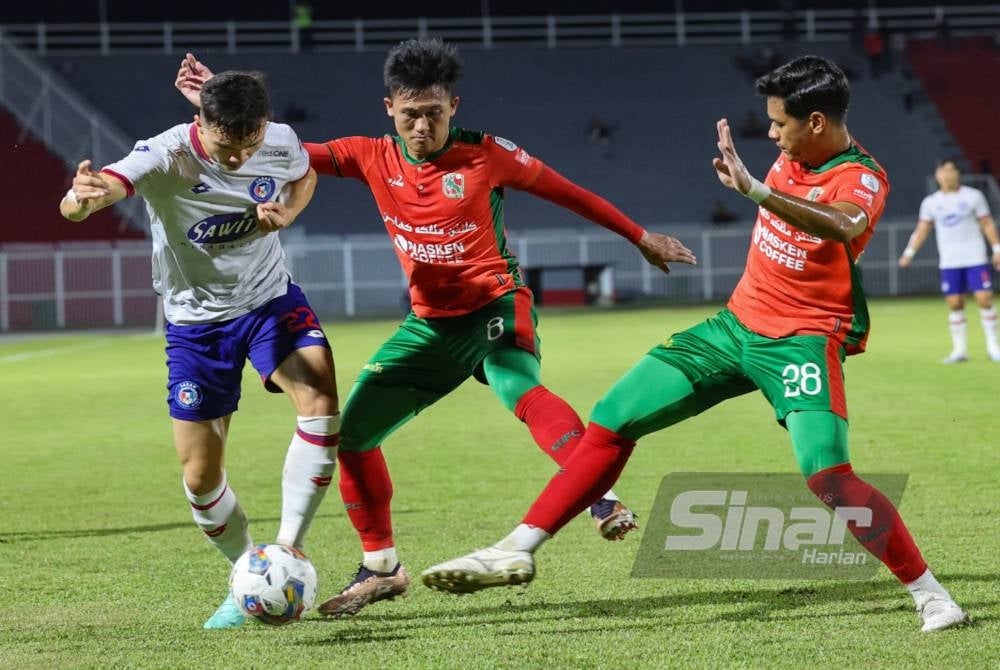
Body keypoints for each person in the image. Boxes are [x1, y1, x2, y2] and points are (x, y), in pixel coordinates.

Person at [423, 55, 970, 634]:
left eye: (780, 123)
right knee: (612, 416)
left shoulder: (862, 175)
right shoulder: (792, 155)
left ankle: (931, 594)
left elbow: (844, 225)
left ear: (815, 122)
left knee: (828, 476)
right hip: (732, 327)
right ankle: (517, 546)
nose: (771, 134)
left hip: (800, 341)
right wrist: (756, 184)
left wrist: (756, 189)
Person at [175, 41, 697, 618]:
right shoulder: (370, 157)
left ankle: (599, 495)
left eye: (434, 113)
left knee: (516, 386)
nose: (422, 126)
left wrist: (639, 236)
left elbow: (567, 191)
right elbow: (277, 147)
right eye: (410, 114)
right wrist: (217, 103)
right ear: (389, 109)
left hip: (496, 302)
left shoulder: (488, 154)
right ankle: (381, 567)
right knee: (353, 435)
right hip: (429, 325)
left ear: (454, 106)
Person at [61, 71, 339, 630]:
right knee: (199, 476)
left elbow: (304, 175)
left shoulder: (278, 139)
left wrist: (288, 210)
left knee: (321, 400)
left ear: (263, 127)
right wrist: (81, 200)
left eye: (248, 146)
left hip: (269, 301)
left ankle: (287, 550)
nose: (237, 160)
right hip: (196, 325)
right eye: (224, 148)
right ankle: (247, 575)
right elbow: (108, 186)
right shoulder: (165, 155)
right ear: (199, 125)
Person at [898, 158, 1000, 363]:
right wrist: (909, 253)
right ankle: (960, 350)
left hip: (975, 256)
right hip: (949, 260)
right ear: (937, 175)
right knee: (955, 303)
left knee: (984, 298)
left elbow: (987, 223)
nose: (947, 174)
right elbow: (922, 230)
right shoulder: (931, 202)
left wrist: (997, 248)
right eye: (943, 171)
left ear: (958, 174)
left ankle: (993, 347)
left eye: (951, 170)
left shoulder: (973, 196)